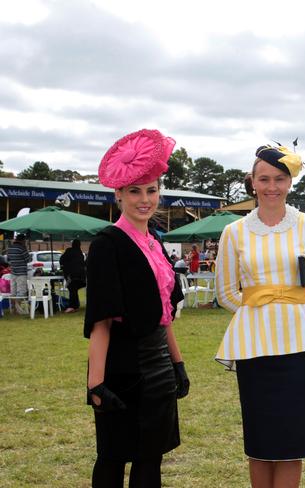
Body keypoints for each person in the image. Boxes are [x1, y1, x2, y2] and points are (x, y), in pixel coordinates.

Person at [215, 144, 305, 488]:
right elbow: (225, 292)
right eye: (264, 179)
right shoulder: (234, 232)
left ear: (289, 183)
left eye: (280, 179)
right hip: (254, 349)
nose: (272, 186)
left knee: (292, 442)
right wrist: (261, 312)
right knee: (260, 442)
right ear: (252, 182)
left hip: (300, 347)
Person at [84, 129, 189, 488]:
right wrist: (95, 383)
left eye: (151, 190)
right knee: (112, 459)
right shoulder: (106, 245)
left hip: (158, 366)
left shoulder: (155, 244)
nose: (145, 199)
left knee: (150, 461)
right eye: (135, 191)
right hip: (121, 368)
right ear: (118, 194)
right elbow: (100, 321)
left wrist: (177, 363)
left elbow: (165, 313)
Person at [59, 238, 86, 313]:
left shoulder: (69, 251)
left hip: (71, 275)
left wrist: (63, 266)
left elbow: (61, 260)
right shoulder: (80, 253)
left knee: (72, 289)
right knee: (74, 289)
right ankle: (75, 305)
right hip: (82, 276)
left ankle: (72, 306)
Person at [6, 234, 30, 299]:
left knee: (13, 292)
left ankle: (13, 308)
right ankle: (20, 308)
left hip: (13, 272)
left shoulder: (10, 248)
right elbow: (28, 260)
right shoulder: (22, 248)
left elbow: (8, 260)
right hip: (21, 273)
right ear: (22, 240)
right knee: (21, 293)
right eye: (25, 240)